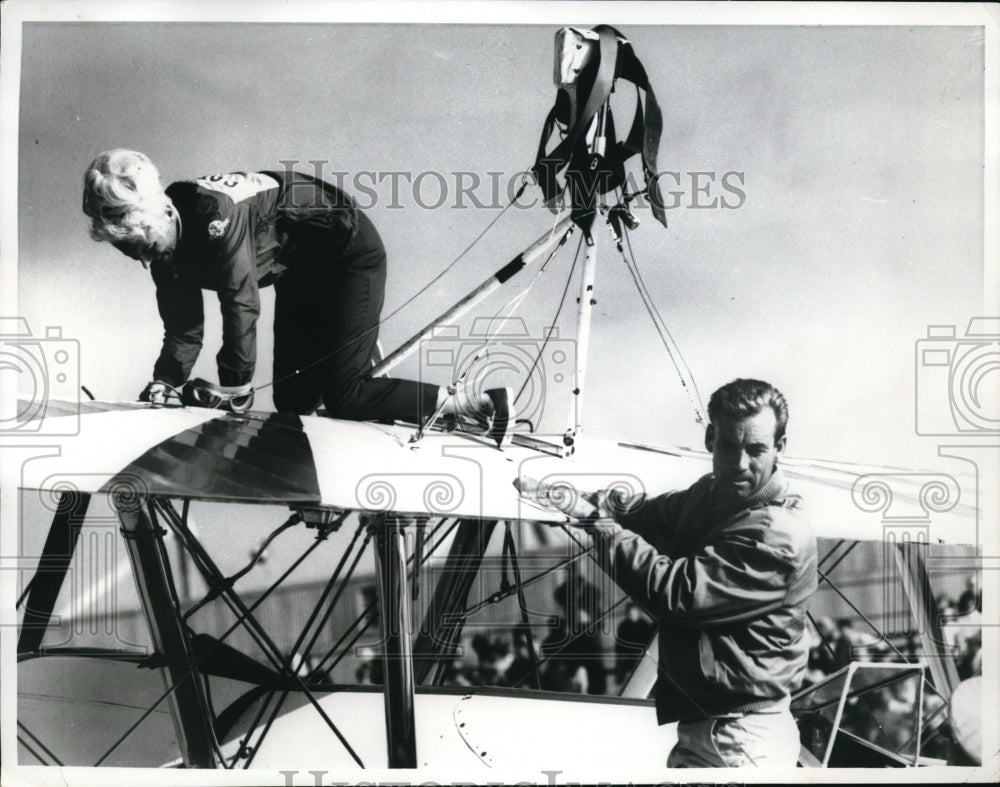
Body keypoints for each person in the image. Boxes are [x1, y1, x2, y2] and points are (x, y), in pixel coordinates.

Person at [81, 149, 512, 444]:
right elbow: (184, 326)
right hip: (297, 269)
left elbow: (241, 302)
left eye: (143, 246)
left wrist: (236, 386)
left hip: (347, 256)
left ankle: (476, 404)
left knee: (346, 395)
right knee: (292, 405)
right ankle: (359, 370)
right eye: (130, 252)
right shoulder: (160, 242)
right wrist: (165, 381)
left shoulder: (213, 215)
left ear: (158, 215)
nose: (144, 258)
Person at [517, 378, 817, 767]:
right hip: (710, 728)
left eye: (756, 449)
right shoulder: (713, 494)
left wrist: (595, 522)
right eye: (728, 445)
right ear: (711, 439)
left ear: (780, 447)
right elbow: (652, 515)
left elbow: (677, 593)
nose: (740, 464)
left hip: (742, 735)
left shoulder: (777, 532)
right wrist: (596, 501)